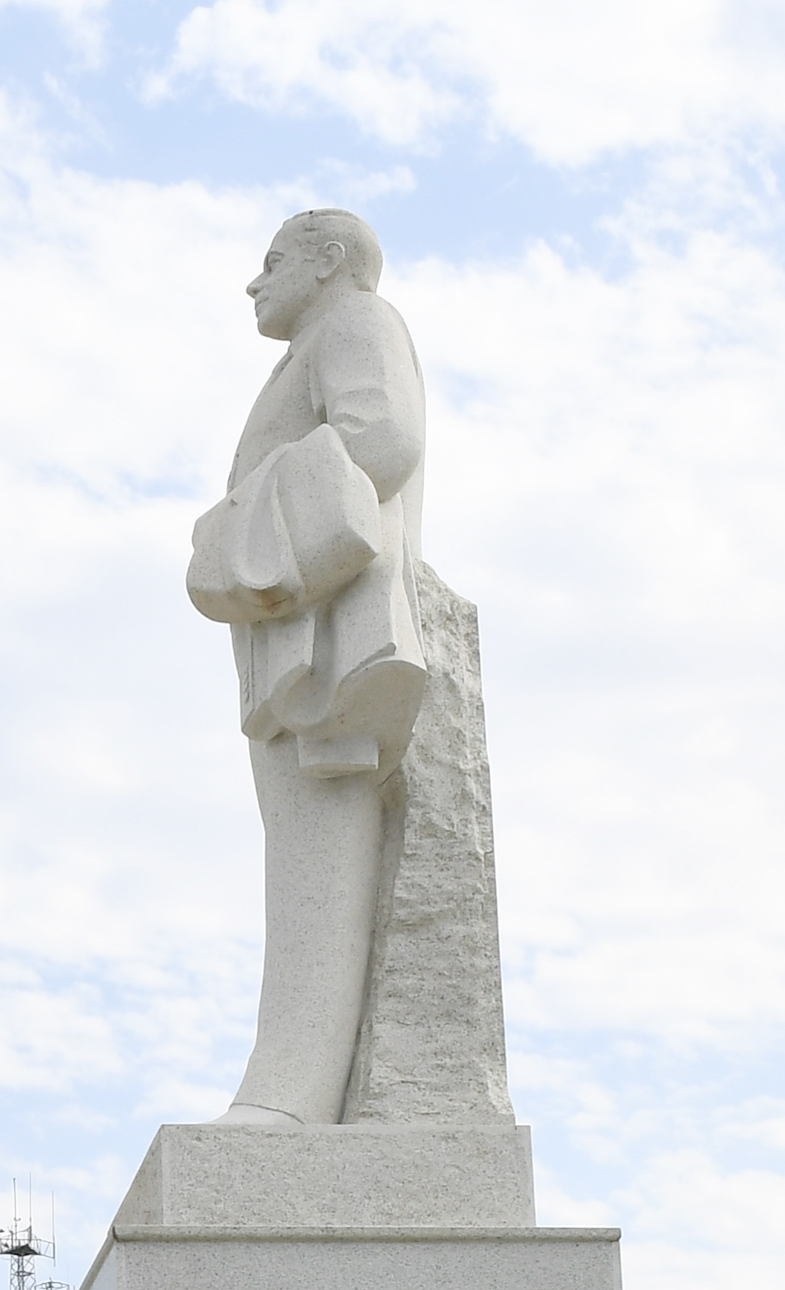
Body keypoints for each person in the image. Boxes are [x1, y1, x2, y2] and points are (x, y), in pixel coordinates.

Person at [189, 207, 432, 1127]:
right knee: (298, 865)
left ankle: (290, 1096)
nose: (254, 282)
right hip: (296, 628)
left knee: (318, 866)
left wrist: (241, 528)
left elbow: (382, 439)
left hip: (331, 632)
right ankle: (287, 1085)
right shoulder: (311, 346)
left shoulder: (359, 322)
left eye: (272, 261)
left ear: (329, 262)